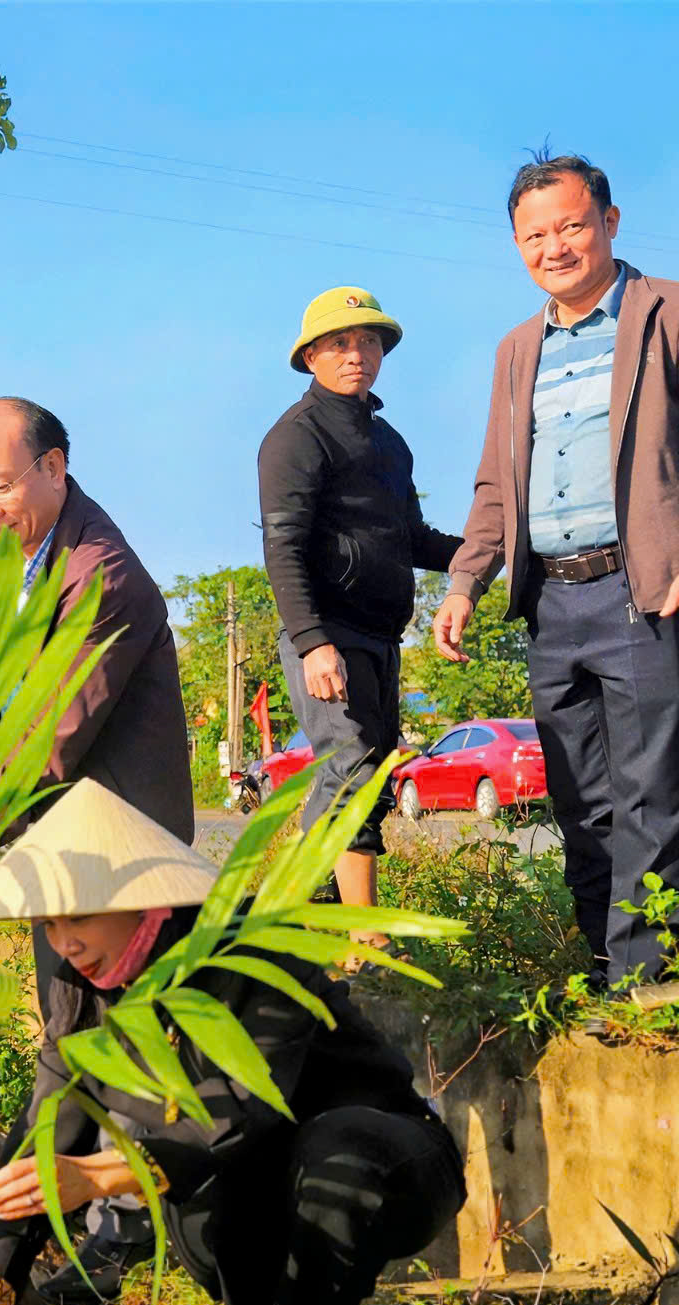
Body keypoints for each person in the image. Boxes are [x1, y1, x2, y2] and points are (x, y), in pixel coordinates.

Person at [0, 779, 464, 1305]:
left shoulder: (248, 950)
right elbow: (41, 1143)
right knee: (223, 1202)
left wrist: (102, 1174)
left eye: (78, 917)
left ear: (143, 896)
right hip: (247, 1193)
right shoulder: (80, 993)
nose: (66, 944)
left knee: (330, 1151)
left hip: (380, 1166)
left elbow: (241, 1113)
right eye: (48, 926)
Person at [432, 150, 679, 994]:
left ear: (609, 222)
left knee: (651, 790)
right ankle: (604, 965)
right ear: (517, 246)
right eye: (534, 236)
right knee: (580, 796)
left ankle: (645, 986)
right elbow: (495, 483)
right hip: (551, 600)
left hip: (643, 590)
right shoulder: (517, 349)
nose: (556, 247)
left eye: (572, 226)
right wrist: (466, 581)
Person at [0, 395, 194, 1305]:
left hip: (118, 859)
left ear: (54, 465)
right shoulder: (35, 547)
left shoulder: (103, 576)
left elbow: (48, 735)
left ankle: (97, 1245)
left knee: (106, 1041)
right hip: (65, 848)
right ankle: (57, 1245)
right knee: (77, 1037)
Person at [257, 287, 462, 944]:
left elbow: (412, 537)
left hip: (381, 635)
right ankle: (365, 936)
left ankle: (297, 910)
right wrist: (312, 642)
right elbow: (283, 546)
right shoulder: (296, 436)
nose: (357, 355)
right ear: (311, 356)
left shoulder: (390, 443)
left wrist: (486, 553)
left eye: (369, 342)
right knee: (349, 770)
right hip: (326, 635)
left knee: (366, 773)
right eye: (340, 343)